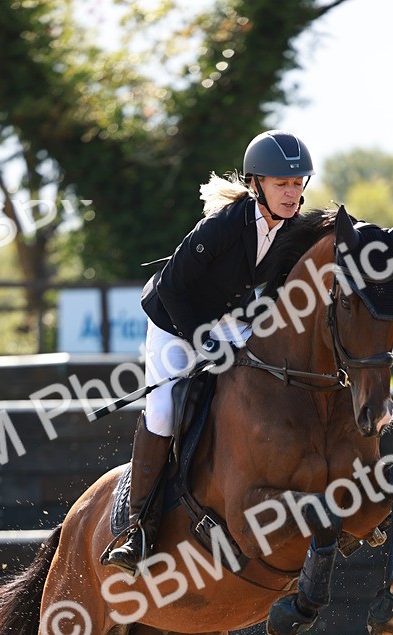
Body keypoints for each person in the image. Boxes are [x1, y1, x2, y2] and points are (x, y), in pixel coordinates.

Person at [102, 129, 314, 576]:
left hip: (230, 320)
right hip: (175, 320)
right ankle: (138, 527)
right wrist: (203, 340)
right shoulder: (223, 226)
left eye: (297, 183)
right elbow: (173, 287)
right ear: (256, 184)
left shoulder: (294, 230)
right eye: (281, 183)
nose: (291, 193)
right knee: (163, 411)